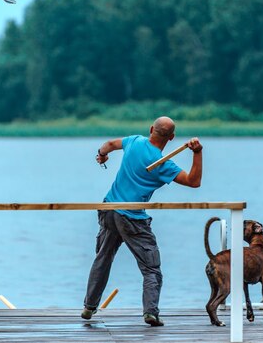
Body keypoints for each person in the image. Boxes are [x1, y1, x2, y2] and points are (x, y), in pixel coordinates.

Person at [81, 116, 203, 327]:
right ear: (172, 138)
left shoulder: (135, 141)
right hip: (132, 218)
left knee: (103, 258)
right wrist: (198, 153)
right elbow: (194, 182)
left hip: (109, 209)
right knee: (151, 268)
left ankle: (89, 307)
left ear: (150, 129)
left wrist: (101, 155)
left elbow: (109, 144)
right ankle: (151, 313)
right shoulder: (163, 165)